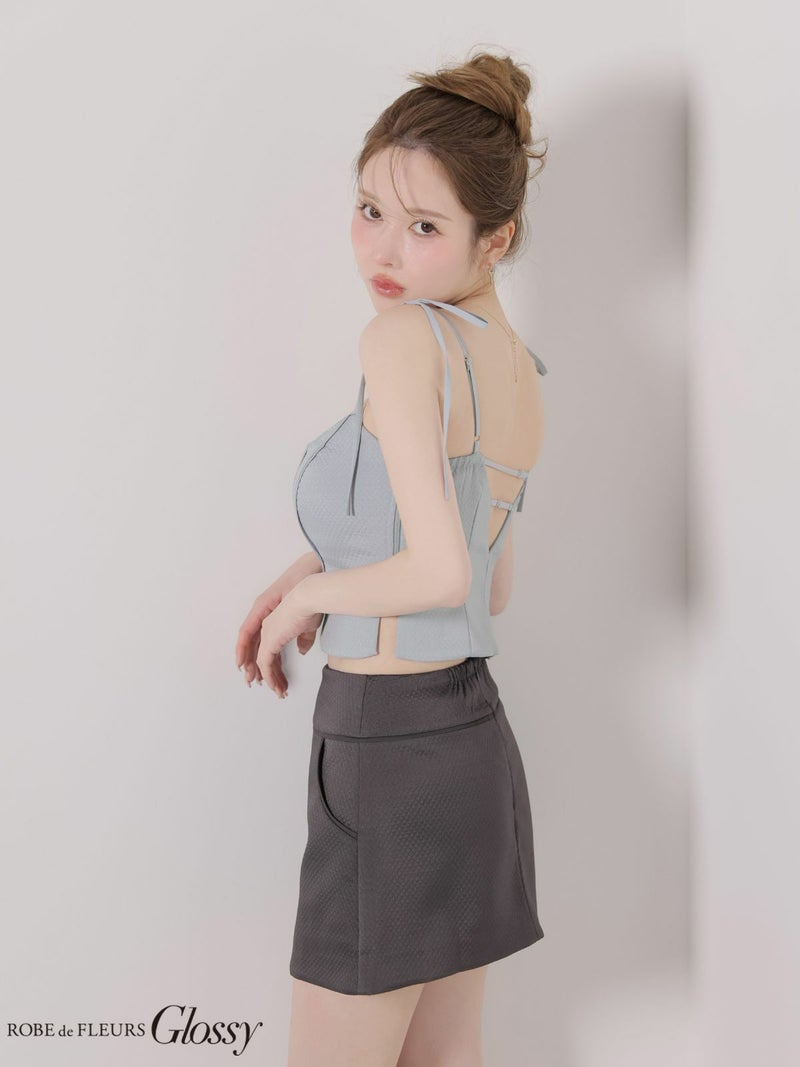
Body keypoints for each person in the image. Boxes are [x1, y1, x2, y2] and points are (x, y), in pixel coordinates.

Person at [236, 47, 549, 1067]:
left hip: (384, 750)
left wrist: (309, 600)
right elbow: (488, 578)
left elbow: (444, 574)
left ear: (495, 237)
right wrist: (316, 571)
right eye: (370, 209)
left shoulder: (406, 338)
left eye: (423, 226)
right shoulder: (518, 368)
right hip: (470, 746)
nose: (382, 250)